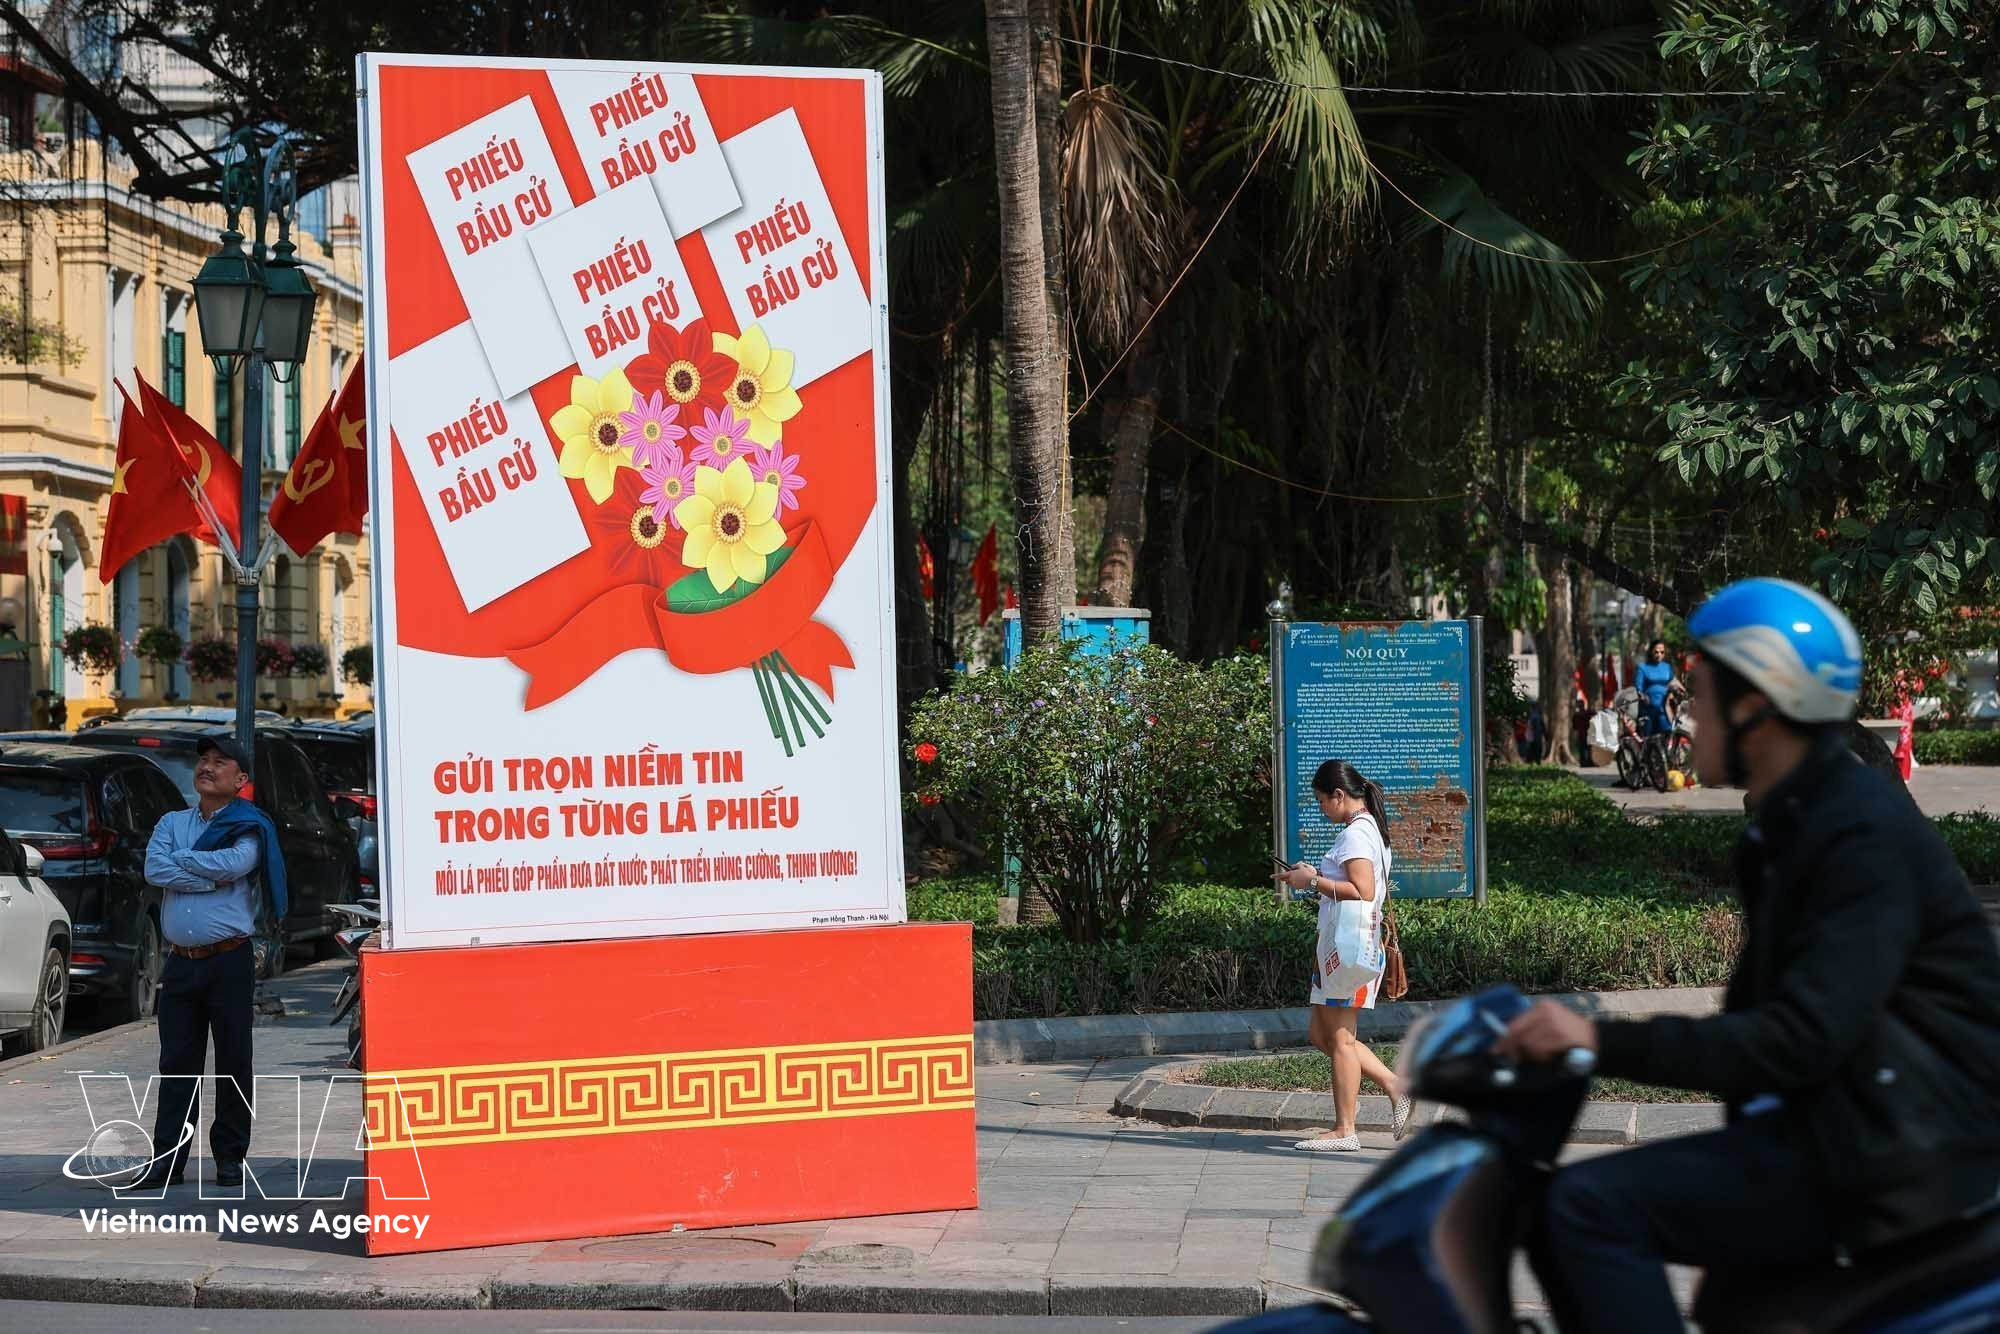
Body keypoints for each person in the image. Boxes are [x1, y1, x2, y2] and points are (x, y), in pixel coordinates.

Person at [1497, 578, 2000, 1334]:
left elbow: (1798, 1037)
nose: (1685, 716)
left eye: (1698, 694)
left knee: (1585, 1208)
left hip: (1907, 1155)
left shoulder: (1856, 833)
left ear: (1755, 706)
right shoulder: (1795, 821)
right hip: (1860, 1128)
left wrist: (1597, 1038)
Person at [133, 736, 288, 1190]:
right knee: (176, 1063)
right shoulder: (171, 821)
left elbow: (236, 864)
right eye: (203, 759)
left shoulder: (249, 825)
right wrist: (203, 877)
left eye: (220, 762)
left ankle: (229, 1158)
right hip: (180, 963)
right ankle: (167, 1160)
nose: (207, 767)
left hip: (229, 960)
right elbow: (154, 870)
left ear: (240, 780)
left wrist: (185, 864)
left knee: (233, 1060)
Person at [1275, 760, 1413, 1151]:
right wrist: (1312, 876)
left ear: (1339, 795)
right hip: (1340, 947)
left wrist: (1312, 880)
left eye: (1322, 801)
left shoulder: (1356, 834)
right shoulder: (1368, 830)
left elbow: (1363, 889)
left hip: (1348, 952)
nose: (1321, 808)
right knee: (1322, 1034)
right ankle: (1393, 1084)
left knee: (1339, 1037)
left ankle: (1345, 1129)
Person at [1633, 638, 1684, 736]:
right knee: (1648, 739)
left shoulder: (1667, 667)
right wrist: (1642, 696)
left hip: (1664, 708)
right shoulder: (1643, 667)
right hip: (1648, 709)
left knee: (1667, 734)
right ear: (1651, 652)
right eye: (1656, 652)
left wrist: (1682, 690)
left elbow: (1674, 681)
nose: (1659, 655)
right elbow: (1638, 688)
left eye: (1662, 652)